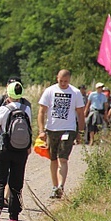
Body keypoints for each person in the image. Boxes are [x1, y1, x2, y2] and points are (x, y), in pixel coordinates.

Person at [37, 69, 85, 199]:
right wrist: (41, 131)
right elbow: (41, 112)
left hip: (68, 129)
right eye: (61, 81)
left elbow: (80, 113)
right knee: (53, 158)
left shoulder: (75, 93)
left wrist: (80, 131)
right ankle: (54, 186)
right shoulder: (49, 91)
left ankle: (61, 186)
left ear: (70, 80)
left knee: (62, 158)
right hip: (52, 129)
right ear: (57, 78)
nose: (63, 83)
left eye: (66, 81)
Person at [0, 81, 31, 221]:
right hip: (21, 150)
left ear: (8, 93)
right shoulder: (26, 109)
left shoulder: (3, 109)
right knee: (16, 183)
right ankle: (14, 216)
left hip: (2, 148)